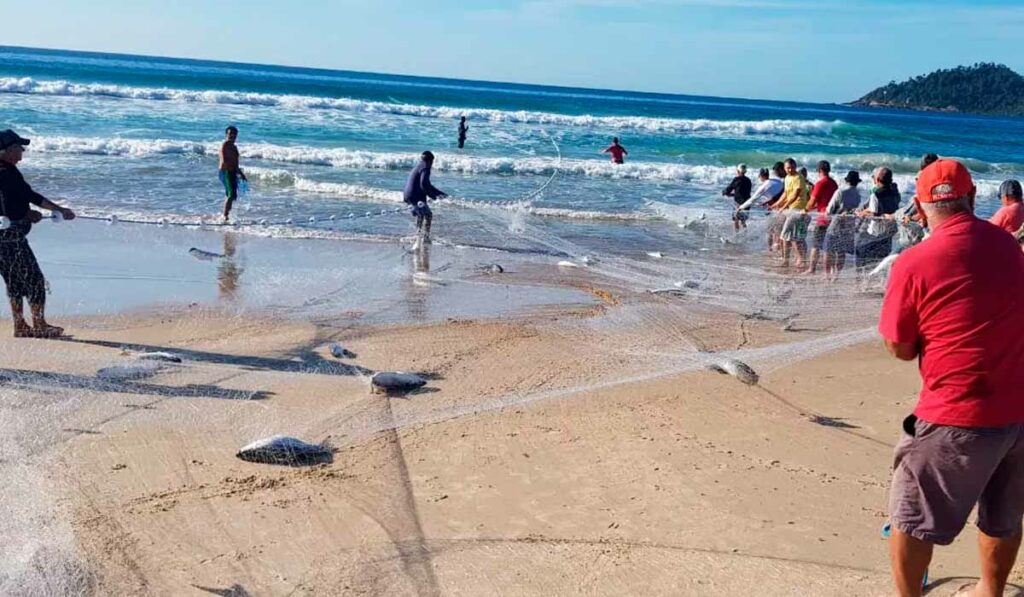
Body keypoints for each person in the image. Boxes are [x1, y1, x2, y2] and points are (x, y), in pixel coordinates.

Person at [879, 159, 1024, 597]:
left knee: (911, 516)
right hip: (1018, 409)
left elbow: (900, 349)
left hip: (956, 411)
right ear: (973, 197)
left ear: (920, 209)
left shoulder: (914, 262)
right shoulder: (1010, 248)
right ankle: (989, 590)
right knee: (1004, 512)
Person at [0, 129, 76, 338]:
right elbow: (29, 196)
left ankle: (20, 325)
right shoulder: (6, 172)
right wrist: (57, 210)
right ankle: (39, 324)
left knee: (13, 281)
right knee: (34, 280)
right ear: (5, 150)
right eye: (18, 147)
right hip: (10, 238)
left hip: (2, 237)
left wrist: (26, 213)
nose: (22, 151)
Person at [855, 166, 900, 274]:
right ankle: (879, 281)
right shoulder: (895, 192)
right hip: (890, 229)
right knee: (882, 257)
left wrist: (861, 213)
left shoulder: (876, 194)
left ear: (877, 180)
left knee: (861, 254)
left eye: (874, 177)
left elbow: (874, 213)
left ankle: (862, 281)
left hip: (876, 231)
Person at [821, 170, 862, 280]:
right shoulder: (858, 194)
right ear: (857, 182)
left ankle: (827, 275)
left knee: (828, 249)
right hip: (849, 225)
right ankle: (836, 275)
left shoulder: (840, 191)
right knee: (841, 251)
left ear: (847, 180)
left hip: (837, 223)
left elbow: (830, 210)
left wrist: (827, 214)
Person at [773, 158, 810, 268]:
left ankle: (791, 260)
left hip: (798, 210)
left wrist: (783, 206)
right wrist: (777, 204)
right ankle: (791, 260)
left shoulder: (798, 177)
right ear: (784, 168)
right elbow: (786, 193)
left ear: (795, 166)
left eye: (792, 167)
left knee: (786, 236)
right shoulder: (787, 177)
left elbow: (795, 194)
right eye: (788, 168)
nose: (790, 170)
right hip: (790, 210)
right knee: (792, 237)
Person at [803, 160, 839, 275]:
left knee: (816, 245)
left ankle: (812, 269)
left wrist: (805, 210)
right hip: (833, 219)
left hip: (822, 220)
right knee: (830, 248)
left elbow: (812, 201)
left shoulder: (820, 183)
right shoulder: (834, 183)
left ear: (819, 170)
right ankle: (829, 272)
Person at [403, 151, 448, 242]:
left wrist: (439, 193)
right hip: (415, 195)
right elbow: (423, 184)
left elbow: (427, 185)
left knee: (421, 215)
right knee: (428, 215)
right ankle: (425, 238)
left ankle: (418, 235)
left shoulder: (418, 166)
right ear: (431, 161)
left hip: (408, 194)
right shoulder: (425, 167)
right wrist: (432, 196)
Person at [219, 126, 247, 222]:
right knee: (231, 194)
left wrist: (241, 174)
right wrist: (226, 166)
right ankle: (225, 216)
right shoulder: (225, 145)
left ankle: (227, 214)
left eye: (234, 134)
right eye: (230, 133)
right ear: (226, 134)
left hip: (232, 172)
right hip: (226, 172)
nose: (232, 136)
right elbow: (223, 157)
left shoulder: (234, 147)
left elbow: (236, 162)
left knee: (232, 195)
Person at [722, 164, 752, 231]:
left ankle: (736, 235)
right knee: (743, 221)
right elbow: (743, 193)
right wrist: (733, 194)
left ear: (738, 171)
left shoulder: (737, 179)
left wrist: (725, 192)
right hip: (747, 203)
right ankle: (745, 235)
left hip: (739, 204)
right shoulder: (748, 180)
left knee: (736, 219)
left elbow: (728, 190)